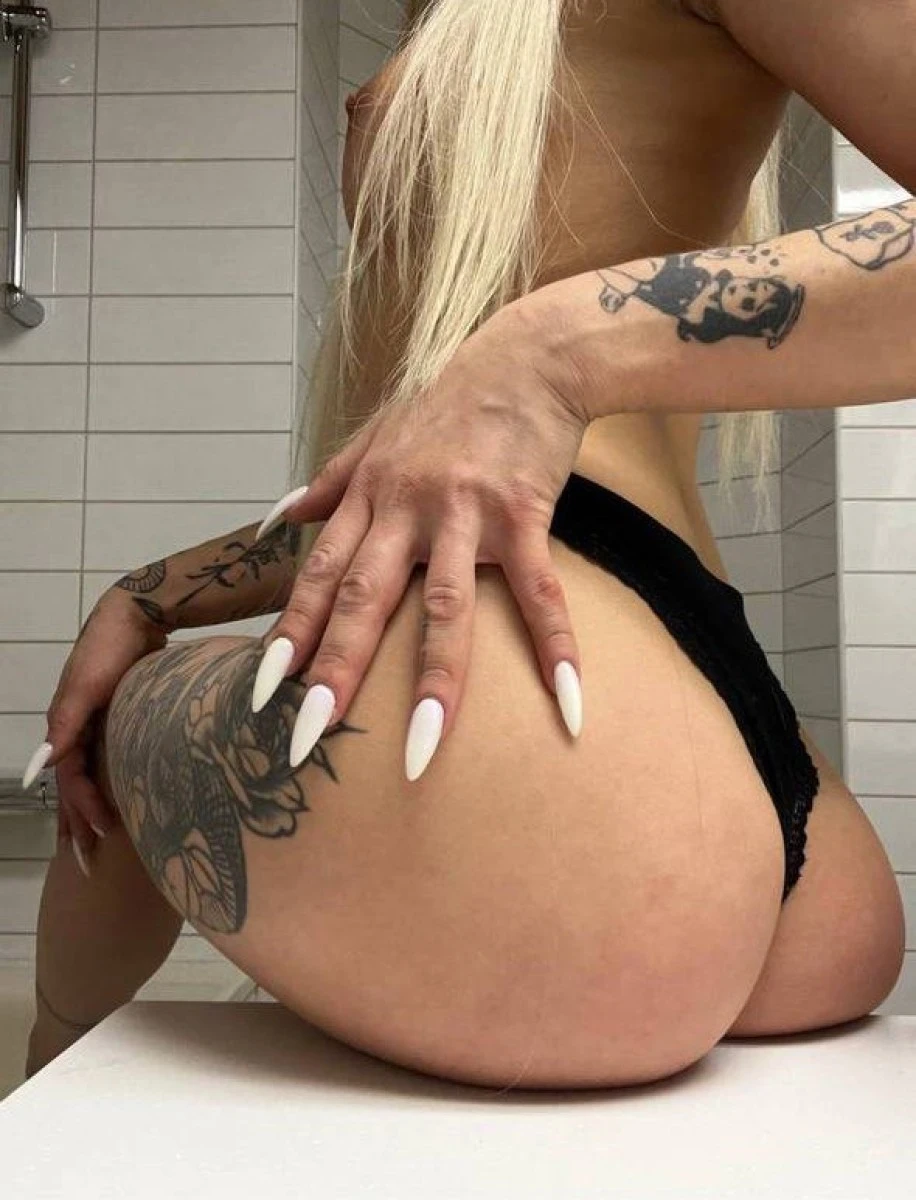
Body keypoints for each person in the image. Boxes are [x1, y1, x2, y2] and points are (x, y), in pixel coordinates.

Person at [20, 0, 910, 1090]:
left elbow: (495, 440)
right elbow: (444, 479)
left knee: (115, 713)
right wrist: (159, 588)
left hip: (555, 708)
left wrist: (550, 355)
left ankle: (37, 1077)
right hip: (702, 725)